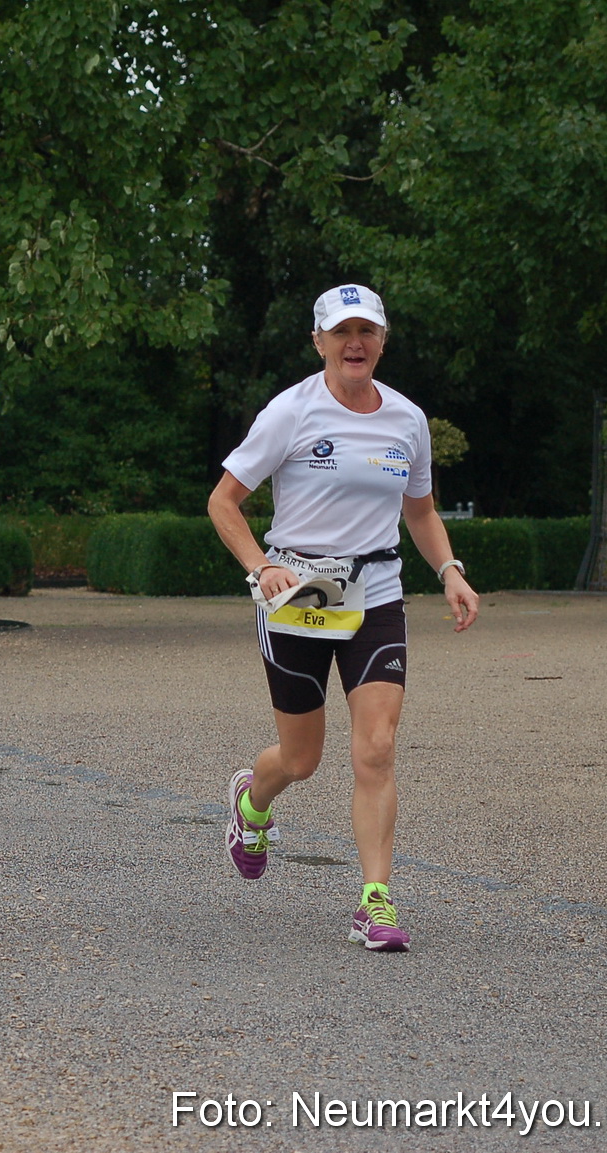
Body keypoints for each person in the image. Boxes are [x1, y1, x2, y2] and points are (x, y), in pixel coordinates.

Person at [207, 284, 480, 953]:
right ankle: (253, 801)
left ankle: (374, 899)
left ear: (383, 340)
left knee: (377, 748)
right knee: (301, 758)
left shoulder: (408, 420)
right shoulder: (290, 412)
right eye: (341, 332)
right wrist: (260, 567)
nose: (355, 343)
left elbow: (420, 510)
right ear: (319, 341)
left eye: (367, 331)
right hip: (299, 594)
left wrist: (449, 570)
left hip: (377, 595)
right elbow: (224, 501)